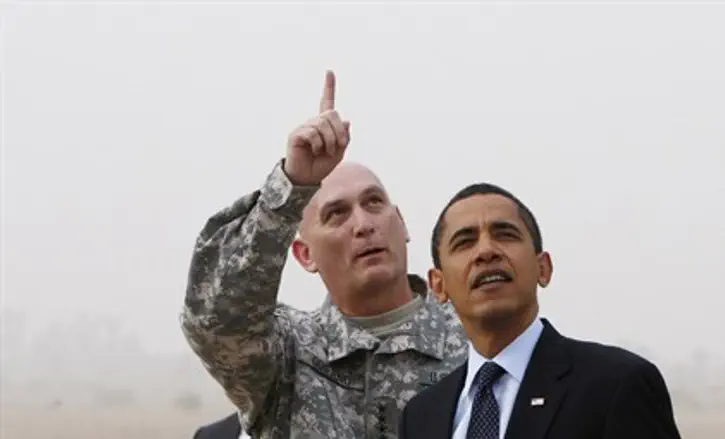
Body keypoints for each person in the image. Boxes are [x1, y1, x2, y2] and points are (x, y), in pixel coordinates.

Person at [180, 70, 468, 439]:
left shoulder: (473, 337)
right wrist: (291, 186)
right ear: (304, 255)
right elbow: (214, 319)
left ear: (402, 224)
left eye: (374, 203)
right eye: (337, 215)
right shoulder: (289, 355)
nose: (363, 225)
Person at [397, 183, 682, 439]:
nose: (486, 251)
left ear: (543, 268)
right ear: (438, 285)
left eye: (505, 234)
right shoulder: (421, 417)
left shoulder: (616, 386)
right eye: (465, 242)